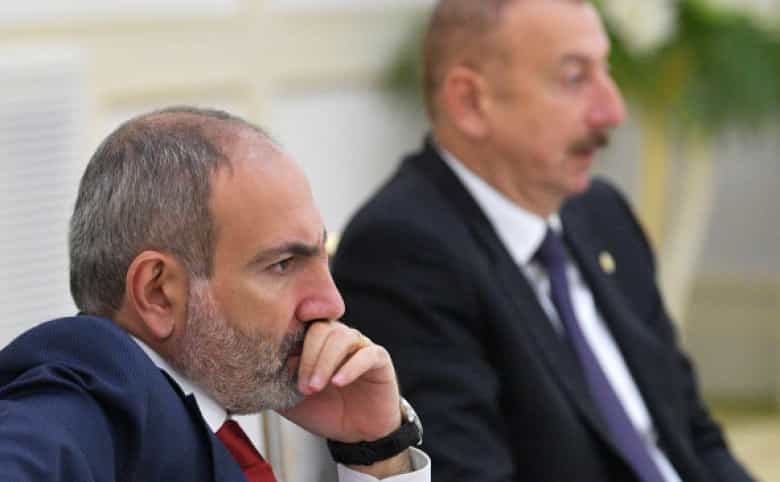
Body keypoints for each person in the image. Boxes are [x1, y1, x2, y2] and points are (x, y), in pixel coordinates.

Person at [332, 1, 754, 481]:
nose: (612, 111)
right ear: (469, 102)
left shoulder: (601, 213)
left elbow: (695, 436)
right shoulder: (403, 252)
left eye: (606, 71)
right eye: (575, 78)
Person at [0, 106, 429, 482]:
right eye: (282, 264)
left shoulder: (186, 410)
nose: (332, 304)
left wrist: (376, 448)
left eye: (320, 258)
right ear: (158, 293)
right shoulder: (86, 399)